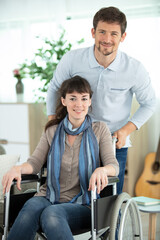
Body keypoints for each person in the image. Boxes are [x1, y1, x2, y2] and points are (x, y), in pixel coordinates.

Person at [46, 6, 156, 194]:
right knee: (72, 196)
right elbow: (54, 89)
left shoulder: (135, 69)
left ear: (123, 37)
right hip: (75, 139)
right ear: (93, 32)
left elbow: (150, 103)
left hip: (113, 144)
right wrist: (52, 122)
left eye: (114, 33)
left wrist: (125, 130)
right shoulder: (72, 60)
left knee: (108, 205)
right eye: (102, 32)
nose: (107, 39)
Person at [2, 76, 119, 240]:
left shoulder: (99, 129)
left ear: (90, 101)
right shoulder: (52, 130)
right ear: (64, 101)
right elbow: (35, 163)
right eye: (73, 99)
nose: (79, 104)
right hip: (48, 196)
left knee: (52, 213)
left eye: (84, 98)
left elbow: (113, 165)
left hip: (84, 203)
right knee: (31, 207)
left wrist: (102, 170)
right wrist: (18, 168)